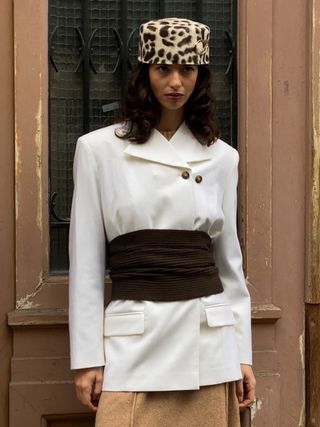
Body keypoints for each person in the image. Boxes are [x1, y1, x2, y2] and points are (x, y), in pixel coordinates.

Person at [68, 17, 256, 427]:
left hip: (208, 344)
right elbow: (85, 265)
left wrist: (242, 352)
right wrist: (86, 359)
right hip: (134, 345)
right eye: (163, 69)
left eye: (187, 70)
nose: (175, 82)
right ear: (144, 73)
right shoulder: (97, 151)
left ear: (200, 77)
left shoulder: (223, 157)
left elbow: (230, 266)